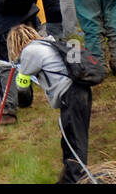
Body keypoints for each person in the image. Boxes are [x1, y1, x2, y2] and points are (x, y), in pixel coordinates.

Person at [8, 23, 94, 185]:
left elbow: (23, 88)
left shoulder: (29, 51)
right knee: (69, 139)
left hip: (71, 95)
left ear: (15, 43)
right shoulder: (48, 42)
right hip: (81, 91)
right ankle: (68, 179)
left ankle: (78, 180)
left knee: (75, 141)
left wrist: (22, 102)